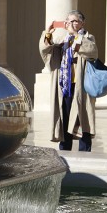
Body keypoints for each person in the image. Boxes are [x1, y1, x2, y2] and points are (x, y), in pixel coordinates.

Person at [39, 10, 98, 152]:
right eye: (68, 21)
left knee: (84, 118)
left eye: (75, 21)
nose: (71, 24)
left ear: (82, 23)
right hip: (65, 86)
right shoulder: (63, 40)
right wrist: (48, 32)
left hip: (82, 86)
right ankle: (65, 151)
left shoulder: (88, 37)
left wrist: (75, 35)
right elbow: (45, 51)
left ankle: (85, 151)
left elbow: (92, 51)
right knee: (64, 117)